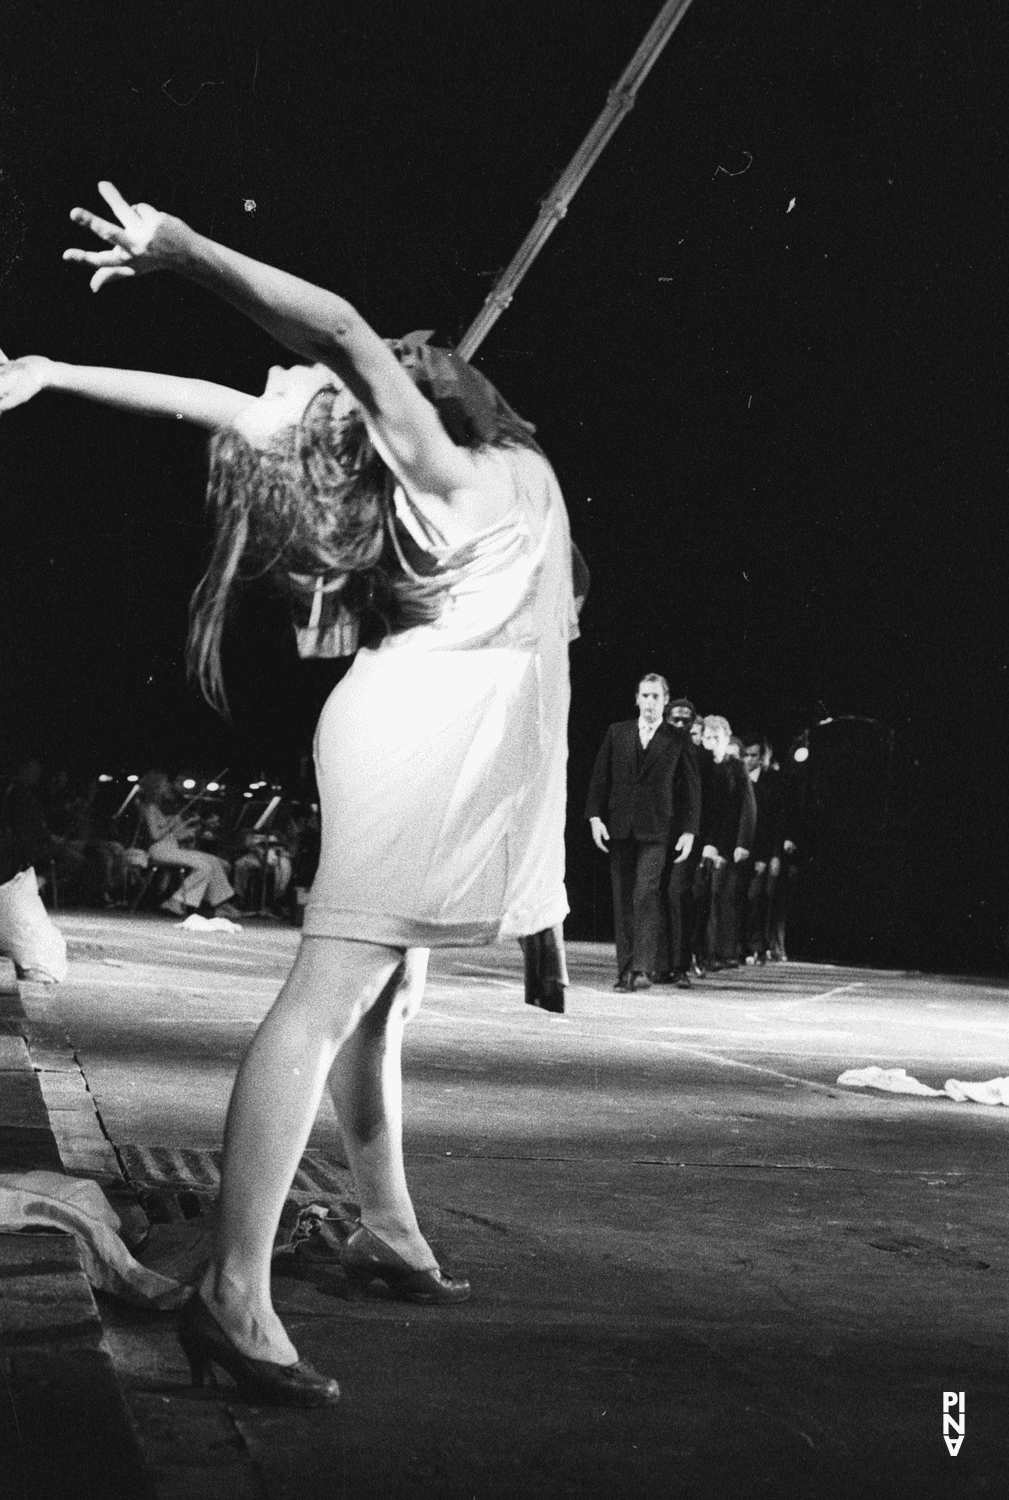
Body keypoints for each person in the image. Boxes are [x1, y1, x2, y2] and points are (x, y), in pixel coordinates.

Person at [0, 180, 578, 1406]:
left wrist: (54, 368)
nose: (423, 359)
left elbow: (224, 400)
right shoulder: (443, 466)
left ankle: (388, 1225)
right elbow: (343, 335)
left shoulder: (483, 463)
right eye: (406, 368)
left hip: (433, 734)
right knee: (330, 999)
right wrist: (187, 252)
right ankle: (237, 1296)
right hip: (417, 742)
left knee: (387, 999)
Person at [585, 674, 697, 990]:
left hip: (657, 829)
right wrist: (595, 817)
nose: (649, 703)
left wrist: (689, 830)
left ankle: (642, 968)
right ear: (637, 699)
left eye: (656, 697)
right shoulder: (617, 732)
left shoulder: (677, 738)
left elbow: (690, 789)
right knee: (622, 898)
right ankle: (625, 971)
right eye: (645, 696)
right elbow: (599, 778)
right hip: (620, 826)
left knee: (645, 893)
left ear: (665, 700)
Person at [135, 769, 239, 918]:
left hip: (170, 848)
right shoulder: (150, 808)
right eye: (164, 786)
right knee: (204, 866)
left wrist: (189, 826)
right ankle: (176, 901)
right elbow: (155, 835)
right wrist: (172, 823)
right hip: (159, 850)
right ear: (156, 787)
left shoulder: (158, 808)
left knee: (214, 861)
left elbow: (172, 835)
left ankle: (219, 904)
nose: (168, 788)